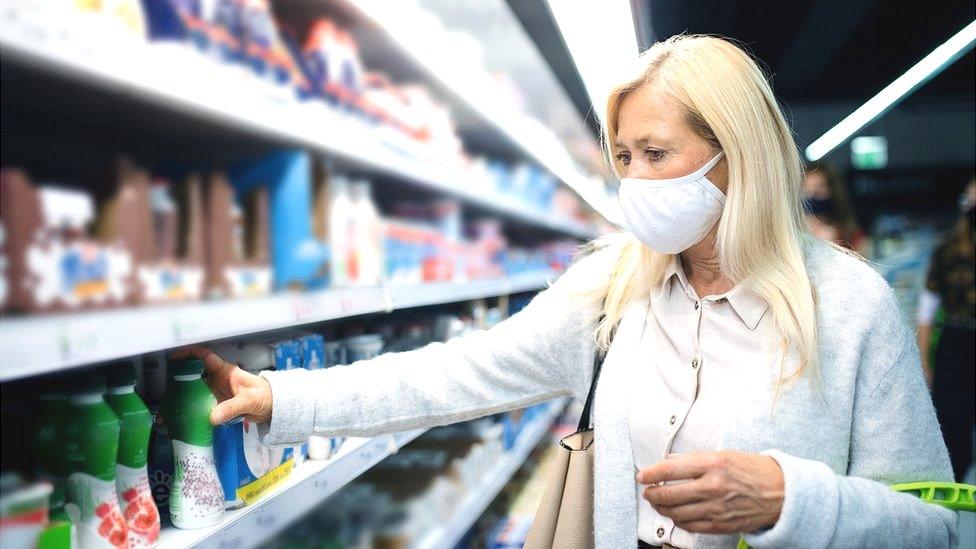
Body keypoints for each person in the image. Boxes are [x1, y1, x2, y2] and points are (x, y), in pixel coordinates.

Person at [181, 36, 955, 548]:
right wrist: (282, 399)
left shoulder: (851, 306)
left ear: (737, 154)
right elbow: (458, 372)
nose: (635, 182)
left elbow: (938, 526)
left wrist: (793, 500)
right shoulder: (615, 286)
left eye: (656, 153)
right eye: (623, 156)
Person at [917, 178, 976, 482]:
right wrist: (925, 362)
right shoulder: (948, 251)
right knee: (954, 433)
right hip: (956, 344)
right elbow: (926, 312)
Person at [801, 161, 868, 254]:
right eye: (806, 187)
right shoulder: (792, 233)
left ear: (833, 191)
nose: (812, 193)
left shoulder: (851, 235)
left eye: (819, 187)